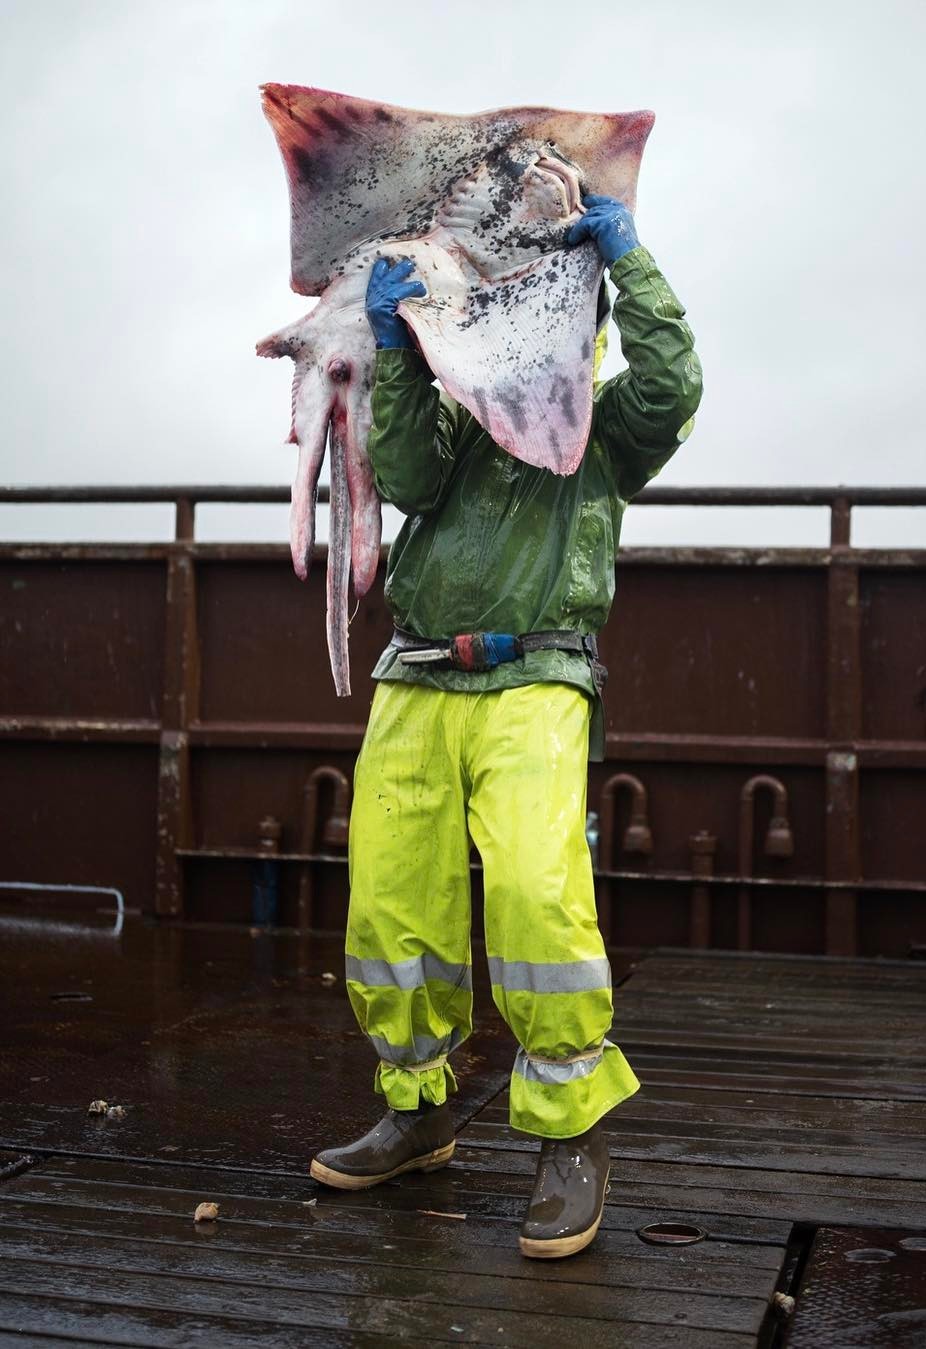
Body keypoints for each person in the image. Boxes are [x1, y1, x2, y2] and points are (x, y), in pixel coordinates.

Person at [310, 194, 703, 1259]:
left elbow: (674, 380)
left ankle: (572, 1134)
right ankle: (417, 1106)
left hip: (537, 676)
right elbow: (401, 476)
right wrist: (396, 346)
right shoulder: (451, 417)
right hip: (419, 675)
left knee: (536, 896)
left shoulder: (609, 433)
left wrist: (628, 256)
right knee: (390, 904)